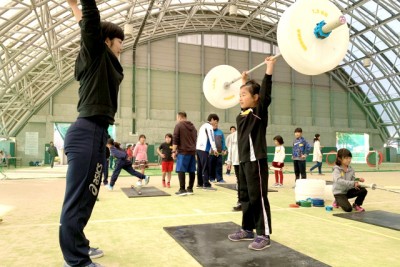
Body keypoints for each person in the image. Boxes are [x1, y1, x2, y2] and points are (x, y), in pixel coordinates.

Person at [60, 0, 125, 266]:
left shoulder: (104, 58)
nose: (123, 45)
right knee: (77, 201)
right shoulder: (95, 52)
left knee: (89, 195)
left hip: (98, 133)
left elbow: (83, 23)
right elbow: (89, 22)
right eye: (119, 40)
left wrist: (73, 5)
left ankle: (80, 245)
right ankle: (76, 260)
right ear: (107, 40)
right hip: (86, 131)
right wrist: (83, 5)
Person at [228, 57, 276, 251]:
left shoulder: (259, 111)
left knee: (258, 196)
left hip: (256, 160)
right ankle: (247, 229)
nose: (240, 97)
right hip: (244, 160)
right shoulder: (242, 115)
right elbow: (247, 97)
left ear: (255, 98)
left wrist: (269, 68)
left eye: (244, 95)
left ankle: (263, 234)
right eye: (239, 95)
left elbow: (264, 94)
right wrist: (244, 82)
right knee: (245, 196)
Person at [172, 112, 197, 196]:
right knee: (191, 170)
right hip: (192, 152)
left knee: (181, 170)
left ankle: (182, 189)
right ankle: (190, 189)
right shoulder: (193, 127)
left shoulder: (179, 125)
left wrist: (173, 151)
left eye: (177, 118)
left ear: (180, 117)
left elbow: (175, 139)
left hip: (183, 152)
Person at [196, 114, 219, 190]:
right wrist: (215, 149)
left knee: (200, 167)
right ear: (212, 119)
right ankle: (206, 184)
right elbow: (212, 138)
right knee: (205, 166)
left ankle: (200, 183)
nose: (216, 124)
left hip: (198, 148)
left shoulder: (202, 126)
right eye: (215, 122)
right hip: (204, 149)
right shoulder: (209, 127)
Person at [209, 117, 227, 183]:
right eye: (214, 123)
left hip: (219, 153)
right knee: (211, 166)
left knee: (219, 166)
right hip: (211, 153)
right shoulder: (209, 132)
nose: (216, 124)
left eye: (217, 123)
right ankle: (211, 178)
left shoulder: (220, 132)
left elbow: (223, 142)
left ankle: (219, 178)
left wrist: (224, 149)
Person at [226, 128, 241, 211]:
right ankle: (240, 202)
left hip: (247, 162)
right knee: (239, 182)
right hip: (236, 162)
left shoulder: (249, 134)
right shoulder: (233, 136)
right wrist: (229, 161)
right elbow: (230, 149)